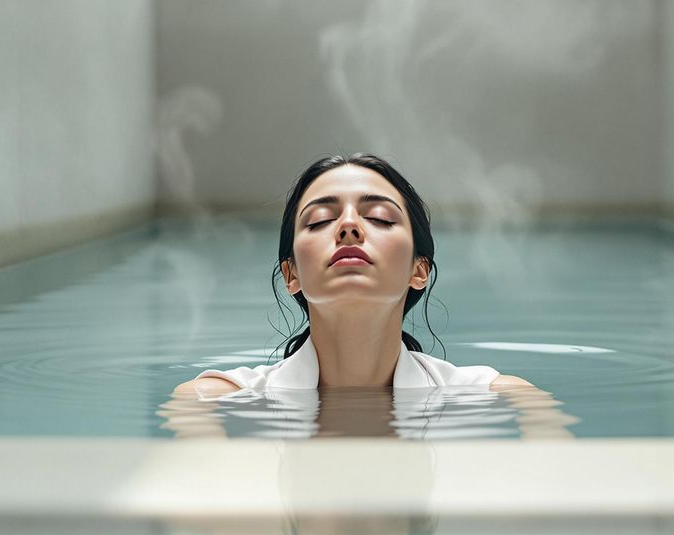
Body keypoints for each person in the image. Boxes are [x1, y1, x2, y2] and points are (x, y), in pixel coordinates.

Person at [166, 152, 575, 438]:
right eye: (319, 220)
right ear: (291, 275)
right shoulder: (209, 400)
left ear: (419, 270)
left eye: (379, 217)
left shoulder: (505, 396)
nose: (348, 227)